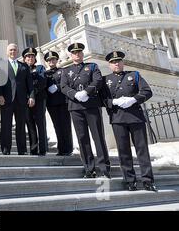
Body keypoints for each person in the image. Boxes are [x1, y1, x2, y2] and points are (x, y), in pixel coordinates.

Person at [101, 51, 157, 191]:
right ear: (109, 65)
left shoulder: (134, 75)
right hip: (118, 119)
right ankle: (130, 180)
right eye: (113, 62)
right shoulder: (104, 80)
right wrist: (113, 101)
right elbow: (101, 99)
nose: (117, 64)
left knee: (142, 149)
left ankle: (147, 180)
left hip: (135, 117)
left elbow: (147, 91)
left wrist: (133, 99)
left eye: (119, 61)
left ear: (123, 62)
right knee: (123, 151)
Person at [60, 42, 111, 179]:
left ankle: (104, 168)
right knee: (82, 138)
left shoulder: (92, 66)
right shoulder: (66, 70)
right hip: (75, 107)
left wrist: (87, 92)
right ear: (71, 55)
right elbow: (63, 86)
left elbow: (98, 81)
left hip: (92, 105)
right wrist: (74, 94)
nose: (77, 54)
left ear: (82, 54)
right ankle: (89, 168)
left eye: (79, 52)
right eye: (74, 53)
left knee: (98, 137)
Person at [0, 44, 34, 155]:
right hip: (6, 100)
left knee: (21, 126)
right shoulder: (1, 65)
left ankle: (22, 150)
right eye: (11, 50)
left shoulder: (24, 66)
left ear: (17, 52)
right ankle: (5, 149)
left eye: (15, 50)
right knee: (5, 125)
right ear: (7, 52)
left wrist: (31, 96)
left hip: (21, 100)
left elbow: (30, 84)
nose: (13, 51)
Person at [45, 51, 73, 156]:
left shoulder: (63, 71)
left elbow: (68, 82)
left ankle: (68, 149)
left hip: (63, 102)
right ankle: (61, 149)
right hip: (51, 103)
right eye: (48, 60)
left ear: (57, 60)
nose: (51, 61)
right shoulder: (45, 73)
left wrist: (57, 86)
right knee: (57, 126)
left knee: (65, 125)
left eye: (53, 59)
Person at [23, 47, 48, 156]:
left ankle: (43, 148)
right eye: (28, 56)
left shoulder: (40, 68)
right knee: (30, 125)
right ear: (24, 59)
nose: (30, 58)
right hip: (26, 102)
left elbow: (42, 83)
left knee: (40, 124)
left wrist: (32, 94)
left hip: (39, 100)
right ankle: (33, 148)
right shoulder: (22, 70)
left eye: (32, 56)